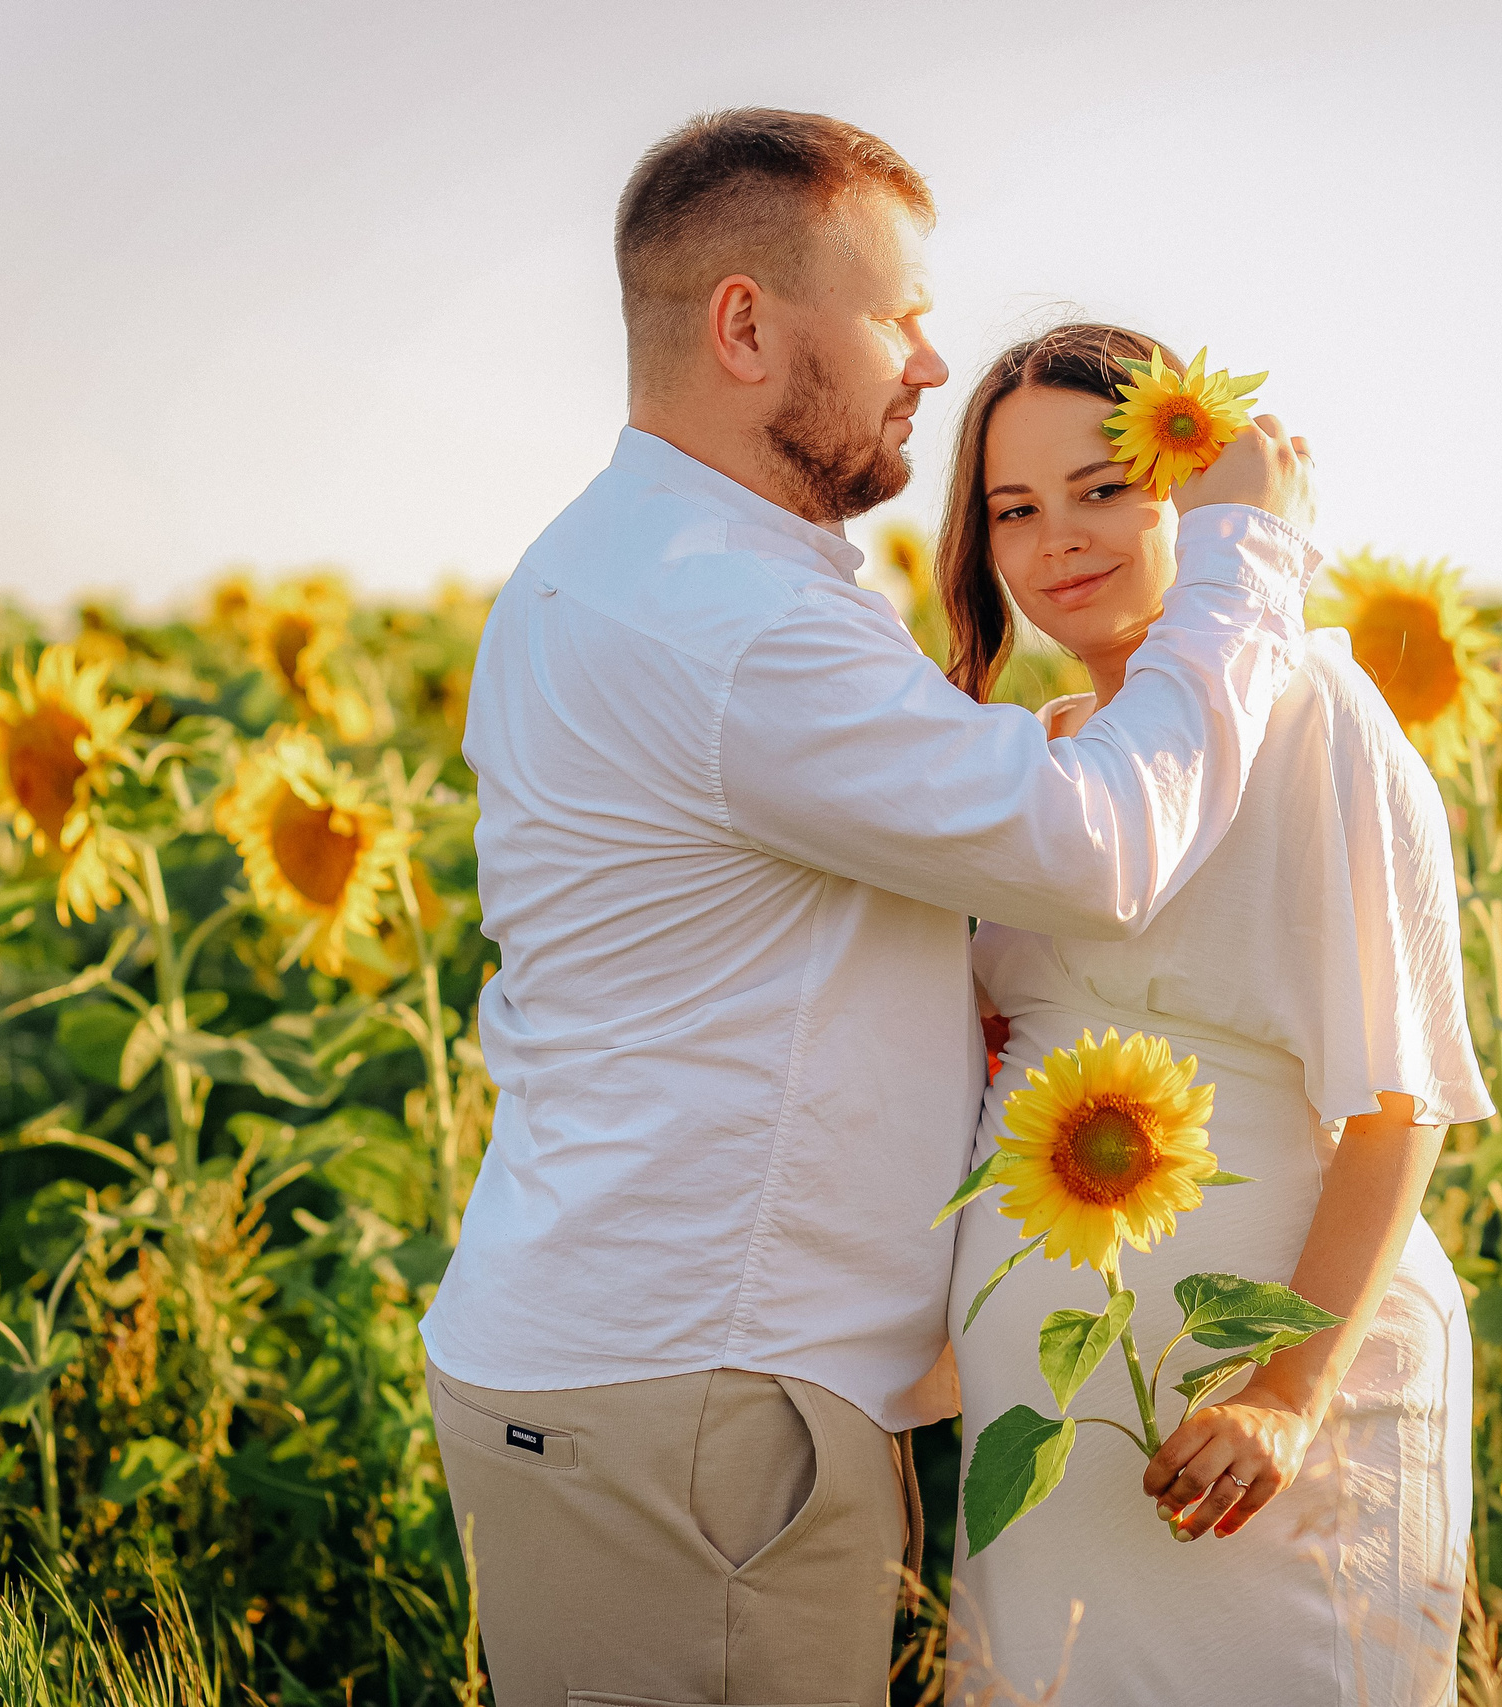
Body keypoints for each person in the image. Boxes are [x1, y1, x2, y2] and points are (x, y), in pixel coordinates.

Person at [415, 113, 1321, 1704]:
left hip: (641, 1356)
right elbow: (1097, 850)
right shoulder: (736, 620)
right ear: (748, 325)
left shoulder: (624, 565)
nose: (926, 356)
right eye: (897, 308)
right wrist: (1242, 567)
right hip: (700, 1392)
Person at [940, 324, 1491, 1703]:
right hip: (1049, 1420)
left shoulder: (1319, 714)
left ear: (1195, 486)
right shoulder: (1044, 763)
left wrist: (1283, 1395)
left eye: (1103, 487)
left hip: (1286, 1416)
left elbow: (1397, 1102)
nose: (1060, 538)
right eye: (1016, 509)